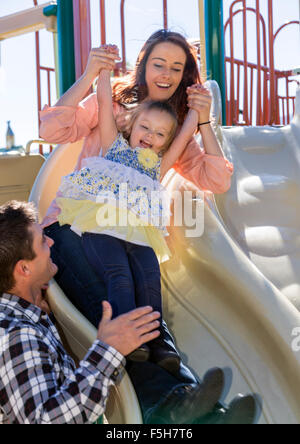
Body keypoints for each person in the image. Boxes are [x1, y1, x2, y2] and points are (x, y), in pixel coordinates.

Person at [40, 30, 257, 424]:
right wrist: (92, 74)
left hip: (126, 232)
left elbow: (217, 180)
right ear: (143, 65)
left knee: (148, 306)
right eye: (159, 63)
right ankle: (173, 406)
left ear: (185, 76)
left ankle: (203, 409)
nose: (167, 73)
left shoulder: (167, 131)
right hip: (71, 227)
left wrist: (203, 120)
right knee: (119, 304)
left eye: (177, 67)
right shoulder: (121, 111)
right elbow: (52, 129)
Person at [55, 44, 202, 373]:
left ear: (166, 141)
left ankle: (157, 340)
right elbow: (106, 106)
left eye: (160, 134)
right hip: (102, 229)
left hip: (138, 233)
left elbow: (185, 134)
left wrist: (197, 110)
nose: (150, 136)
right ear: (131, 127)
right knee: (119, 275)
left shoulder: (158, 165)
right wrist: (103, 71)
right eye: (144, 128)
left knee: (149, 275)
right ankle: (129, 335)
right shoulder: (113, 147)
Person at [0, 200, 163, 424]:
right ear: (24, 269)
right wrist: (108, 350)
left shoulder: (22, 316)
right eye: (42, 241)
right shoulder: (16, 335)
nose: (51, 241)